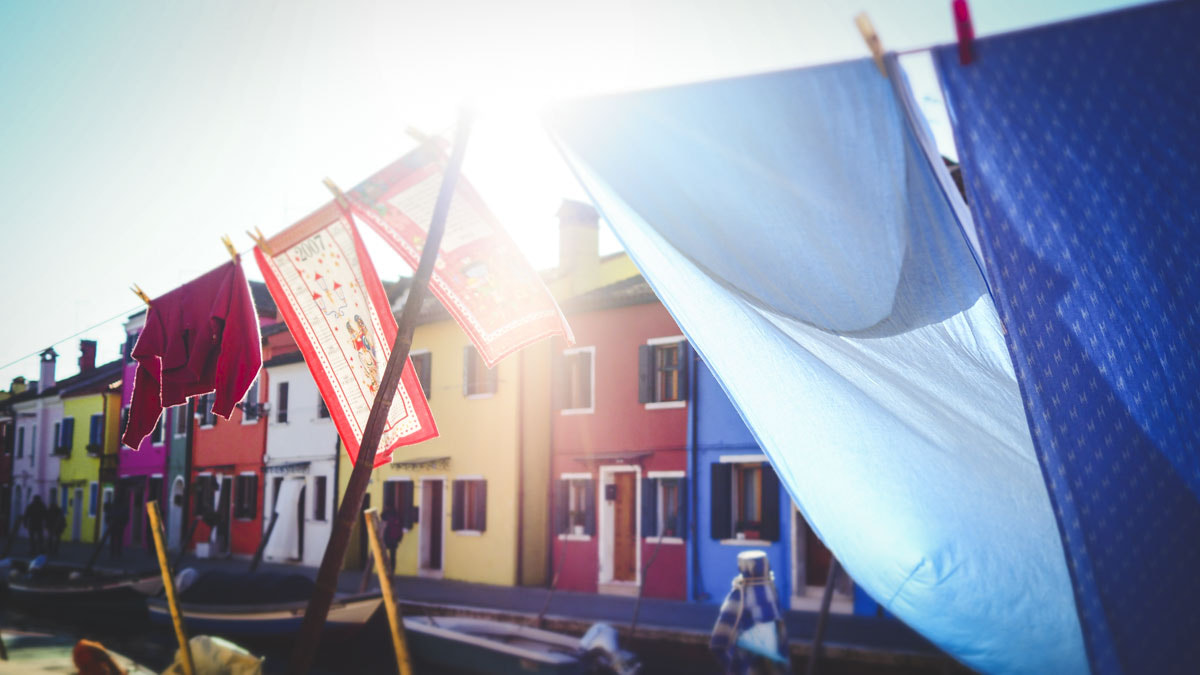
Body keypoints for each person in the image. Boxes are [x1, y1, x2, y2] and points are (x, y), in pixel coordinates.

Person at [381, 505, 404, 577]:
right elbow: (400, 528)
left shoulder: (385, 516)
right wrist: (399, 538)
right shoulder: (397, 516)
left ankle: (385, 571)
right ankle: (392, 571)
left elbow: (382, 524)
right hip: (394, 539)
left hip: (386, 538)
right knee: (393, 556)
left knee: (383, 555)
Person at [109, 492, 129, 559]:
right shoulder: (121, 506)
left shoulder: (116, 506)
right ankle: (116, 552)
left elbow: (111, 514)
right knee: (118, 539)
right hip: (118, 525)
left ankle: (114, 552)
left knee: (115, 539)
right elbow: (126, 516)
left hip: (116, 524)